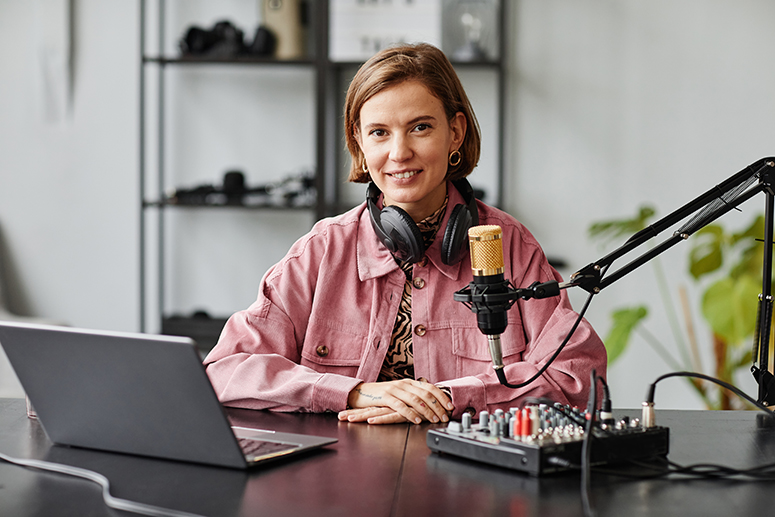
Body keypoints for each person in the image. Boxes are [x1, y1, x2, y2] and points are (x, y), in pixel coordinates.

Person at [204, 43, 606, 425]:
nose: (399, 153)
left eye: (419, 127)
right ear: (359, 141)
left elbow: (577, 376)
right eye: (379, 132)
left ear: (455, 132)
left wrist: (450, 397)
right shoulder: (321, 251)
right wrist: (353, 392)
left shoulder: (510, 245)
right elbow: (225, 370)